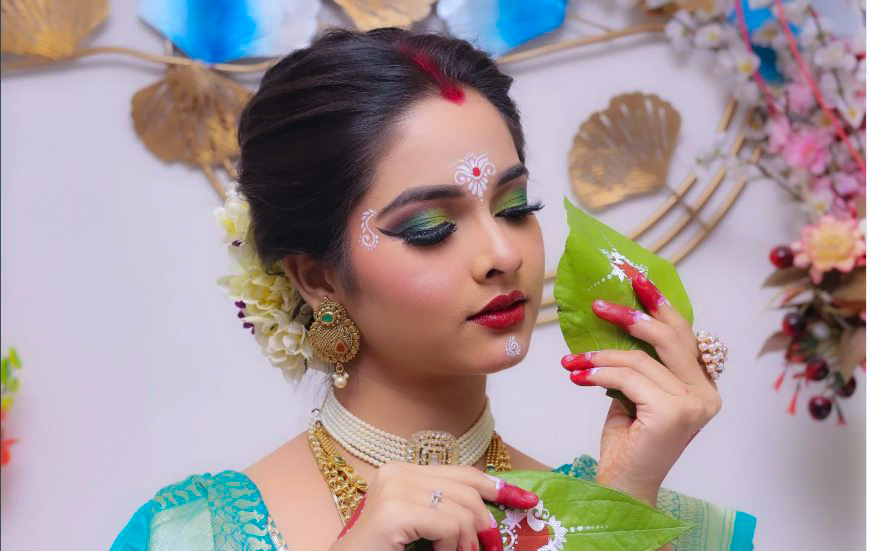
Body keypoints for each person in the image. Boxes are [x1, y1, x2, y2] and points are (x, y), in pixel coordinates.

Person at [110, 27, 755, 551]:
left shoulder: (676, 529)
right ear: (317, 277)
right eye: (430, 228)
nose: (504, 254)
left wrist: (621, 514)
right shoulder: (185, 539)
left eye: (515, 207)